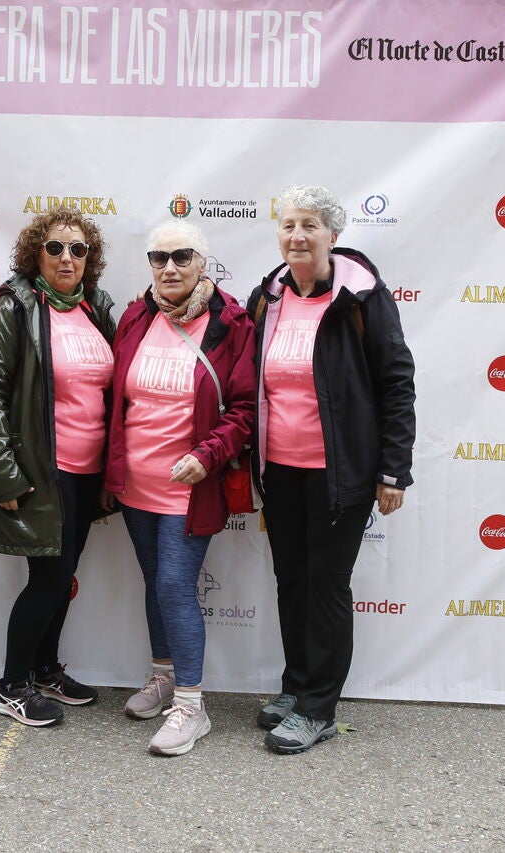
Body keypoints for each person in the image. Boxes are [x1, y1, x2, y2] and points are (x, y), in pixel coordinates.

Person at [247, 185, 415, 755]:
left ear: (333, 236)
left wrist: (393, 470)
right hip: (280, 469)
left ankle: (319, 708)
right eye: (289, 224)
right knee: (291, 582)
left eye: (310, 225)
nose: (297, 236)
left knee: (325, 586)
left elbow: (395, 381)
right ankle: (296, 689)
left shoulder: (361, 297)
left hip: (339, 473)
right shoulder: (267, 297)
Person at [105, 221, 256, 756]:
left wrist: (205, 455)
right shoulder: (136, 315)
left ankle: (192, 705)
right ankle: (164, 675)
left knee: (174, 585)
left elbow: (244, 409)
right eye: (158, 258)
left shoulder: (231, 322)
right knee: (155, 582)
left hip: (191, 486)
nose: (169, 268)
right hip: (136, 484)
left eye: (181, 257)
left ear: (202, 263)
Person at [0, 208, 116, 727]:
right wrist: (3, 473)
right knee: (48, 581)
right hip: (39, 472)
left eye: (78, 249)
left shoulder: (96, 308)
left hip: (86, 472)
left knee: (64, 576)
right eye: (55, 247)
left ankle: (45, 669)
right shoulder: (17, 306)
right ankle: (10, 686)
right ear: (36, 254)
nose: (67, 257)